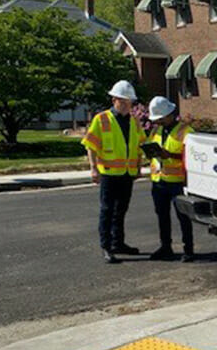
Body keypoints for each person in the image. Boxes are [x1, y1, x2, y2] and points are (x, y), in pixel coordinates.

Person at [80, 80, 146, 264]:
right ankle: (106, 247)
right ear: (114, 99)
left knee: (121, 210)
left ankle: (119, 243)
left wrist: (139, 167)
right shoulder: (101, 119)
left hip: (127, 173)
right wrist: (93, 169)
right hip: (108, 173)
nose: (127, 105)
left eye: (130, 102)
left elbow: (139, 145)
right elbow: (90, 146)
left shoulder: (134, 121)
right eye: (123, 101)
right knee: (107, 211)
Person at [145, 96, 195, 262]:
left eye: (160, 118)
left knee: (183, 217)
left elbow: (193, 157)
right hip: (159, 181)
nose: (157, 122)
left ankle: (188, 249)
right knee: (162, 216)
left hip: (178, 183)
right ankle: (165, 247)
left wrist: (170, 155)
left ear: (169, 115)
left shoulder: (186, 132)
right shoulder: (156, 130)